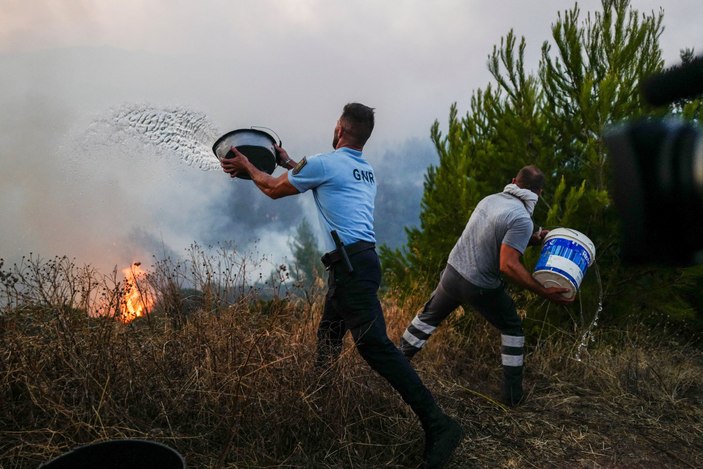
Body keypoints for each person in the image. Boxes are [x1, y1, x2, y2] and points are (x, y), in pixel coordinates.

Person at [221, 103, 463, 468]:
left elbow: (271, 189)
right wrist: (288, 162)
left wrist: (247, 166)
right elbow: (318, 176)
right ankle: (320, 412)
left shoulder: (325, 162)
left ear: (340, 129)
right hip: (357, 265)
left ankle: (440, 424)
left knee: (377, 348)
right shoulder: (363, 169)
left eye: (336, 126)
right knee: (328, 342)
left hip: (351, 269)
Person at [399, 165, 575, 407]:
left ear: (513, 181)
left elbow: (492, 234)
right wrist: (543, 291)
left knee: (426, 320)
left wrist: (533, 239)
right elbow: (508, 265)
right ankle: (512, 399)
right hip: (479, 285)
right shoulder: (522, 218)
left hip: (452, 272)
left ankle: (395, 365)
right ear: (540, 193)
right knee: (512, 327)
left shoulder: (490, 199)